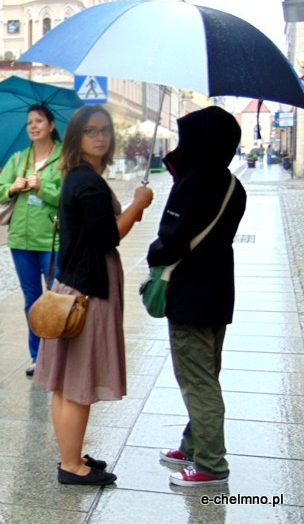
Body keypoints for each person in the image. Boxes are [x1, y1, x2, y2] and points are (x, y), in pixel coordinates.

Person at [34, 105, 153, 486]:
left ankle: (72, 454)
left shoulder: (78, 175)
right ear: (77, 137)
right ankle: (71, 466)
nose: (100, 137)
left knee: (66, 382)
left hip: (73, 285)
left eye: (105, 131)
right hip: (86, 291)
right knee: (77, 384)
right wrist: (138, 204)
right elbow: (108, 237)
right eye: (92, 131)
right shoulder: (86, 181)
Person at [148, 106, 246, 487]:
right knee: (206, 372)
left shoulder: (193, 182)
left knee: (197, 378)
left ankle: (210, 465)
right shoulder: (234, 185)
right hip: (219, 293)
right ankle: (192, 445)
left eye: (185, 137)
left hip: (190, 295)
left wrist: (154, 253)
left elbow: (169, 243)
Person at [0, 104, 62, 376]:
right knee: (32, 299)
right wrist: (12, 187)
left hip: (52, 240)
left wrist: (42, 187)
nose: (33, 126)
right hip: (21, 240)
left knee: (55, 298)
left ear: (51, 125)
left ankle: (57, 354)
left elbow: (66, 196)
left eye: (39, 121)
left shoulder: (63, 158)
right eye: (30, 122)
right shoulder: (19, 159)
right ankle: (37, 355)